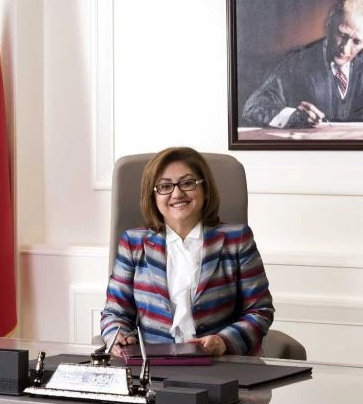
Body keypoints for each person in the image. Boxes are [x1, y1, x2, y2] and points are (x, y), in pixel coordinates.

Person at [100, 147, 274, 357]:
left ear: (205, 189)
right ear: (152, 196)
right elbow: (115, 312)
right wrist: (115, 335)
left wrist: (223, 342)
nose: (177, 193)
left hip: (220, 365)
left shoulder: (237, 240)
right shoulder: (133, 243)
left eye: (188, 183)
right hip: (154, 366)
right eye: (165, 186)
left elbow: (259, 310)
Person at [242, 0, 363, 128]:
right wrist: (293, 117)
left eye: (357, 41)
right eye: (342, 34)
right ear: (329, 24)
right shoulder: (297, 63)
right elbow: (253, 106)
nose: (345, 48)